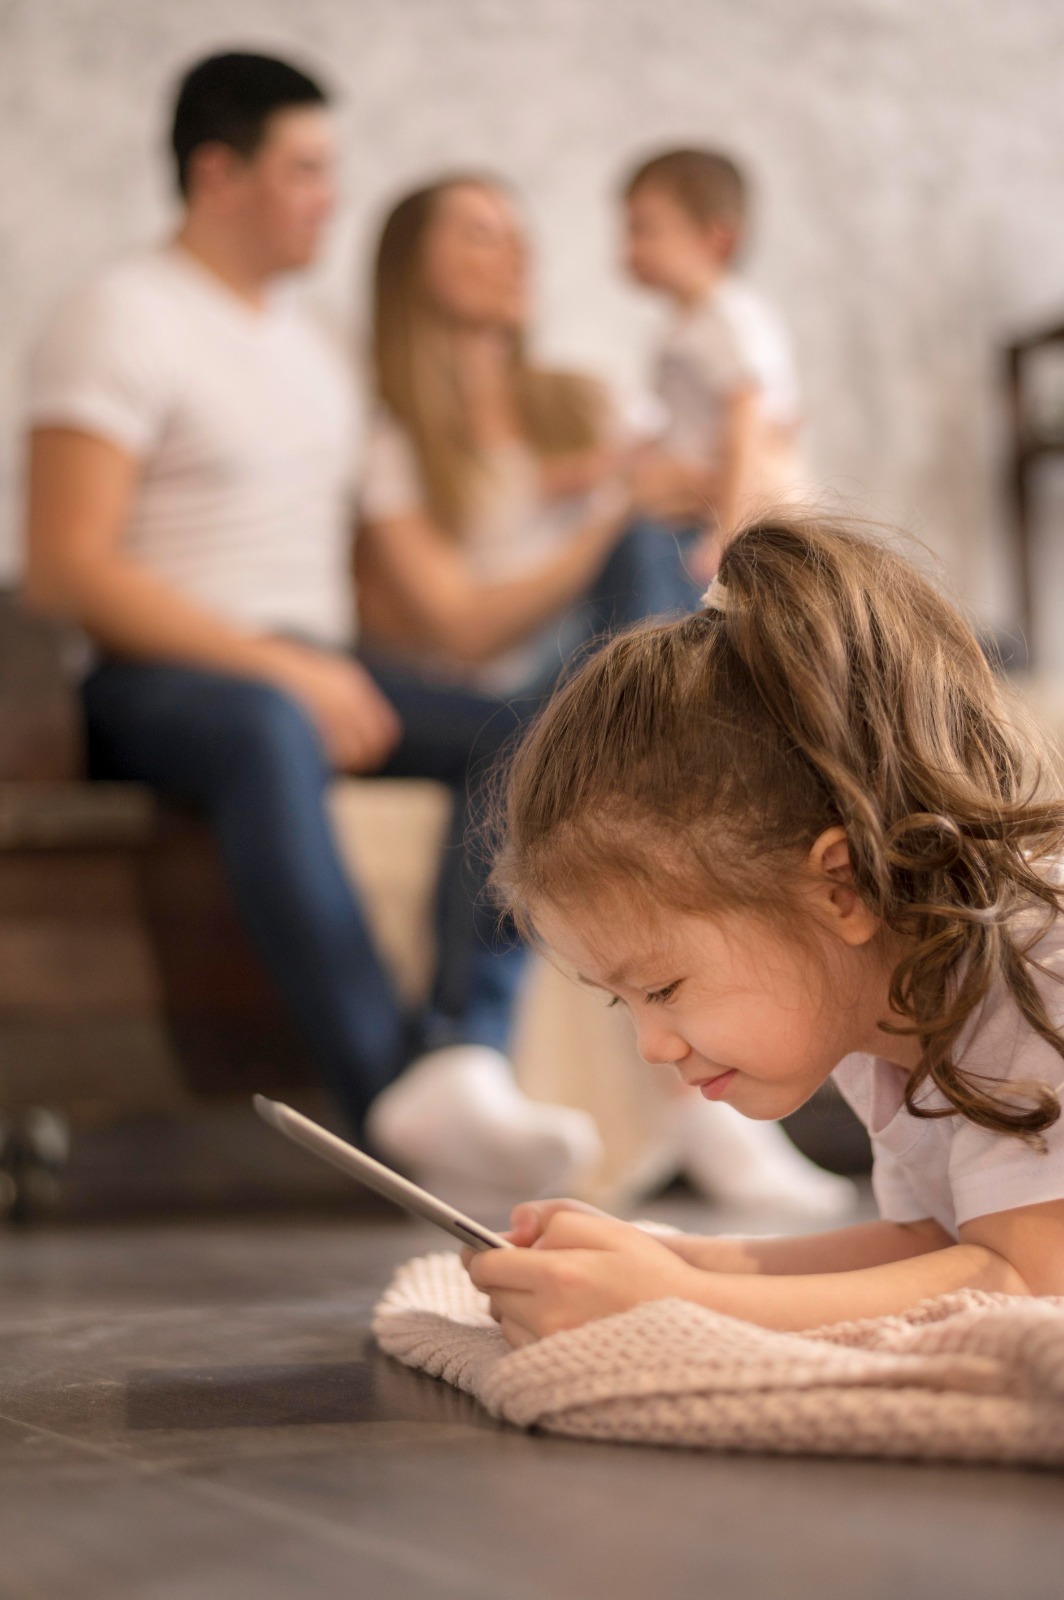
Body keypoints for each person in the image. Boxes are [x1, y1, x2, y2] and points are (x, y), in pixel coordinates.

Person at [21, 51, 600, 1199]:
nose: (332, 197)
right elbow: (64, 563)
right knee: (269, 724)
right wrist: (278, 667)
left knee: (536, 730)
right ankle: (384, 1099)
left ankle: (461, 1059)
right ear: (217, 174)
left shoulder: (321, 343)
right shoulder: (118, 317)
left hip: (312, 659)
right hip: (158, 679)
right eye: (305, 170)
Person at [354, 175, 846, 1213]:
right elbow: (458, 628)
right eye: (481, 232)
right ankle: (701, 1091)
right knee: (578, 663)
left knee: (656, 556)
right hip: (504, 689)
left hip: (596, 675)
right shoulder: (393, 439)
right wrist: (610, 513)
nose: (517, 250)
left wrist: (729, 474)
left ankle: (477, 1051)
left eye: (518, 230)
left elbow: (703, 476)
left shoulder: (580, 399)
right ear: (413, 266)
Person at [465, 514, 1064, 1345]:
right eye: (622, 1001)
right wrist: (671, 1259)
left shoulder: (1036, 968)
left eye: (663, 988)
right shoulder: (874, 1004)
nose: (652, 1046)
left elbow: (1028, 1282)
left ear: (841, 888)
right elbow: (938, 1244)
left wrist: (674, 1303)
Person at [622, 148, 807, 582]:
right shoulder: (687, 322)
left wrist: (728, 529)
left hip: (741, 506)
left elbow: (747, 418)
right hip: (704, 502)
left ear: (715, 239)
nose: (630, 249)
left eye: (645, 230)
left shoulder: (728, 317)